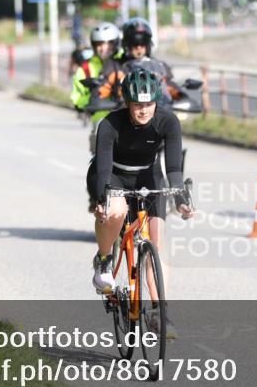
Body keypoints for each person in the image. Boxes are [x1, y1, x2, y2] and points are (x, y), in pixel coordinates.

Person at [87, 68, 193, 336]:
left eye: (148, 104)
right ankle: (103, 259)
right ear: (127, 103)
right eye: (137, 105)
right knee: (116, 211)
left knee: (157, 240)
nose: (143, 110)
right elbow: (102, 167)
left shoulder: (168, 122)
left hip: (147, 174)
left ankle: (159, 313)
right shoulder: (110, 124)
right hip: (112, 174)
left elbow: (174, 168)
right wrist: (102, 199)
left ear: (156, 102)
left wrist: (181, 199)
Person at [98, 18, 185, 104]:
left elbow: (170, 86)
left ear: (148, 44)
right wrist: (100, 99)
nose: (139, 47)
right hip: (125, 110)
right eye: (134, 43)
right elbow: (102, 90)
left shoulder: (160, 66)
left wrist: (182, 96)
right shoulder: (114, 66)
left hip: (158, 109)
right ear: (127, 44)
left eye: (143, 42)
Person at [70, 22, 123, 150]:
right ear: (94, 45)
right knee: (100, 152)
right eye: (99, 44)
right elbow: (76, 97)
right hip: (101, 121)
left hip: (128, 117)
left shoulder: (125, 61)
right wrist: (92, 100)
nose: (104, 48)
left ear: (116, 43)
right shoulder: (85, 68)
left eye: (109, 43)